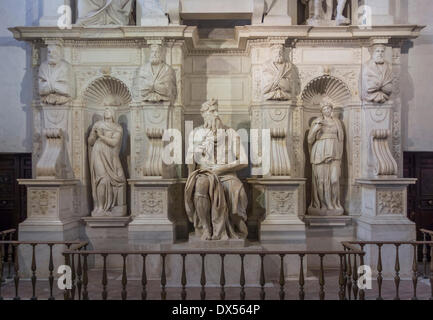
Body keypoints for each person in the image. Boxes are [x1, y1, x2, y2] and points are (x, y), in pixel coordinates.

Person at [185, 99, 248, 240]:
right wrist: (194, 153)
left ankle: (235, 225)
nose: (217, 114)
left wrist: (223, 168)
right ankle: (206, 228)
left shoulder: (230, 132)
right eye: (212, 111)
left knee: (235, 189)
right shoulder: (195, 133)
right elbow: (190, 165)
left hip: (227, 174)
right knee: (201, 185)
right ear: (204, 114)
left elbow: (244, 160)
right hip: (203, 173)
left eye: (217, 110)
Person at [308, 100, 345, 216]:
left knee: (334, 180)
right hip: (319, 153)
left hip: (334, 154)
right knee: (321, 181)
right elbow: (309, 140)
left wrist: (338, 155)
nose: (327, 110)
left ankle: (334, 204)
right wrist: (316, 129)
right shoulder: (317, 121)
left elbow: (341, 140)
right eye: (324, 109)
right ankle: (324, 204)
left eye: (328, 108)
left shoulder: (337, 122)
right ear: (321, 111)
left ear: (331, 110)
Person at [88, 108, 126, 216]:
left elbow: (114, 142)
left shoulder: (117, 127)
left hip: (110, 155)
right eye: (105, 110)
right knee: (102, 180)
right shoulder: (98, 124)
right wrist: (93, 134)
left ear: (113, 114)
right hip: (98, 153)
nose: (106, 111)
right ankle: (100, 207)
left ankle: (110, 207)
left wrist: (100, 136)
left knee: (118, 179)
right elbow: (90, 142)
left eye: (109, 110)